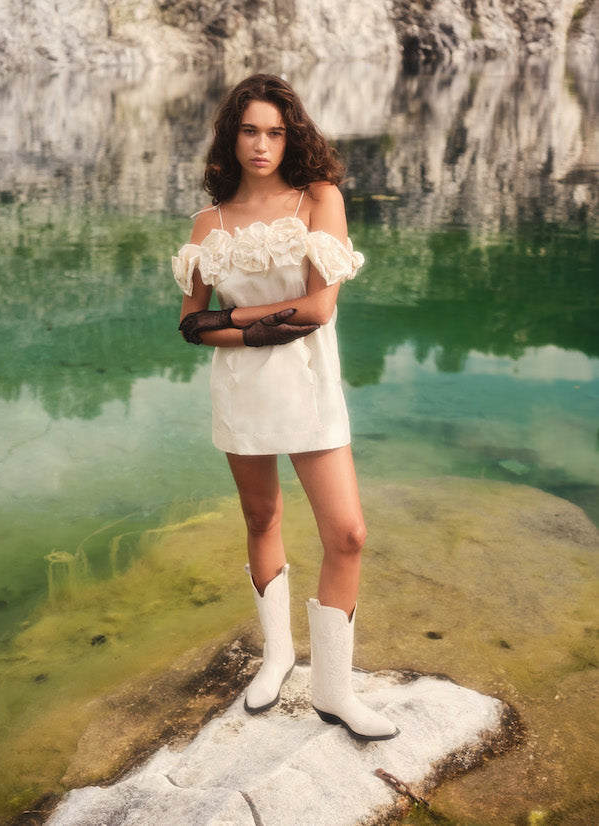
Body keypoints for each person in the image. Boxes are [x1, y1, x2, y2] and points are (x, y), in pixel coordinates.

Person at [172, 74, 397, 741]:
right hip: (240, 388)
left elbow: (319, 308)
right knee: (261, 515)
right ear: (230, 137)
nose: (262, 144)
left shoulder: (316, 198)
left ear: (290, 133)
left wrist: (233, 319)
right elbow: (189, 323)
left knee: (348, 534)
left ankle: (333, 692)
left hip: (307, 381)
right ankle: (276, 657)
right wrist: (254, 321)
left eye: (274, 131)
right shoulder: (206, 223)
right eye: (249, 131)